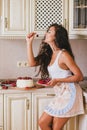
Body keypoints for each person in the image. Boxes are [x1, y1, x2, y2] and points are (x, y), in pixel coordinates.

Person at [26, 23, 84, 130]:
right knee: (43, 123)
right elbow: (32, 63)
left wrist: (57, 80)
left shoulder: (64, 54)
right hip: (60, 93)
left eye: (49, 32)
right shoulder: (49, 54)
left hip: (70, 93)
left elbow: (79, 76)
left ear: (57, 36)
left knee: (56, 127)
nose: (46, 34)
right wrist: (29, 43)